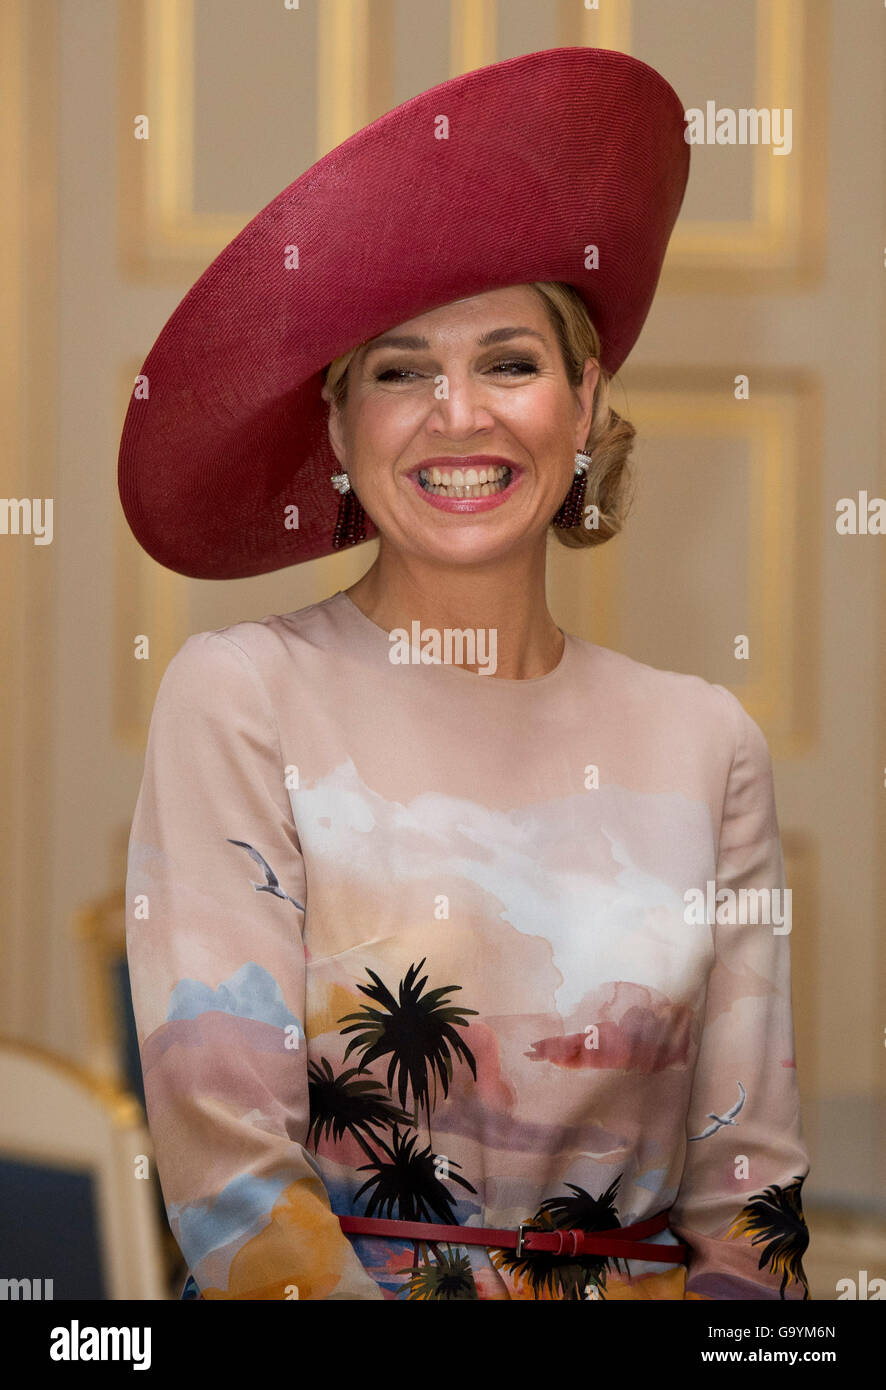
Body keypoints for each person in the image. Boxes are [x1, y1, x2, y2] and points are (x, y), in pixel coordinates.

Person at [118, 46, 811, 1301]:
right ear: (335, 426)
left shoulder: (708, 742)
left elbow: (749, 1192)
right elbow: (232, 1184)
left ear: (584, 399)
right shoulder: (238, 698)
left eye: (509, 360)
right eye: (399, 372)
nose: (459, 415)